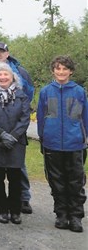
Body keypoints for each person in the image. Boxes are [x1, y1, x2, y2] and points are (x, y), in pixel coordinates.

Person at [0, 41, 35, 214]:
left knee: (17, 170)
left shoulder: (21, 72)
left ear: (7, 53)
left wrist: (14, 135)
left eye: (1, 51)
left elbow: (29, 94)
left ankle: (22, 199)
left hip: (16, 134)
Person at [37, 55, 87, 233]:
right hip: (52, 144)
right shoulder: (45, 92)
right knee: (56, 182)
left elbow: (84, 118)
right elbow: (41, 118)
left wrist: (84, 138)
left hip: (75, 144)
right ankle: (61, 215)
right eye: (58, 68)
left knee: (75, 182)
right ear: (53, 71)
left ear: (70, 71)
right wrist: (43, 139)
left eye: (65, 69)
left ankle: (75, 217)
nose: (61, 72)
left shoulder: (79, 92)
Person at [0, 63, 30, 225]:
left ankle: (15, 211)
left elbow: (24, 119)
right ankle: (2, 209)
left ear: (12, 76)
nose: (3, 77)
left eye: (6, 74)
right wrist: (1, 134)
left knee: (15, 178)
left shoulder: (21, 95)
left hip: (16, 143)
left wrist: (13, 137)